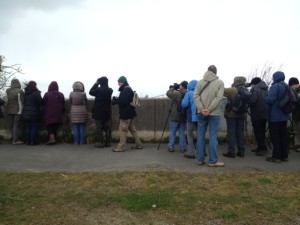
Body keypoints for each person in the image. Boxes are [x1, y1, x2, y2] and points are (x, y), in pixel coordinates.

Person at [194, 65, 225, 167]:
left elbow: (196, 96)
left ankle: (200, 159)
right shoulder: (220, 82)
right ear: (215, 72)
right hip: (214, 113)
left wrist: (202, 108)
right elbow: (219, 97)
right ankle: (213, 161)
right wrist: (209, 109)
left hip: (201, 113)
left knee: (200, 136)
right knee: (213, 137)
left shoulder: (200, 82)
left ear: (207, 71)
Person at [111, 76, 143, 152]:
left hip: (125, 114)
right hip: (131, 113)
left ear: (122, 82)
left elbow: (123, 102)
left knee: (122, 130)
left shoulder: (125, 90)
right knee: (133, 129)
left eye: (119, 82)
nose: (118, 84)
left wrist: (116, 101)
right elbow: (126, 100)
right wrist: (118, 99)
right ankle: (139, 144)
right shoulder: (129, 89)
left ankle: (121, 147)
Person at [265, 71, 289, 163]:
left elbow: (271, 100)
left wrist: (265, 98)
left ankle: (276, 157)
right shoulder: (286, 86)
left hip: (274, 115)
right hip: (284, 115)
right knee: (283, 136)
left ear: (275, 77)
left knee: (275, 137)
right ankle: (284, 156)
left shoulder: (275, 86)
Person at [223, 76, 248, 158]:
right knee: (240, 132)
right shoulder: (246, 90)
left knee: (231, 133)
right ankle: (241, 151)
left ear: (236, 81)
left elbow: (222, 90)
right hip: (242, 114)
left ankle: (231, 151)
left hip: (231, 114)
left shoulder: (233, 90)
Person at [247, 77, 269, 156]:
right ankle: (260, 147)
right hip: (264, 113)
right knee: (262, 132)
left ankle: (262, 148)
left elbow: (253, 101)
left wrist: (248, 98)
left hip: (257, 114)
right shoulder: (266, 88)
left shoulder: (255, 89)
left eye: (252, 84)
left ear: (254, 84)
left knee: (258, 132)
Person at [89, 76, 113, 148]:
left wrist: (96, 83)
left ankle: (100, 143)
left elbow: (90, 92)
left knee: (99, 128)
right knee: (107, 128)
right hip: (106, 111)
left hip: (98, 112)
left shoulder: (98, 90)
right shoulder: (110, 90)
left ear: (100, 82)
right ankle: (108, 142)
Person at [166, 81, 188, 152]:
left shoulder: (177, 94)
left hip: (175, 116)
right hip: (183, 116)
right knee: (182, 132)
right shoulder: (188, 93)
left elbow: (168, 93)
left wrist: (172, 88)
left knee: (173, 132)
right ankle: (182, 148)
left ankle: (171, 147)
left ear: (181, 86)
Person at [21, 81, 43, 145]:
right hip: (34, 112)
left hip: (25, 112)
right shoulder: (36, 93)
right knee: (33, 127)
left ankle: (28, 141)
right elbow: (40, 102)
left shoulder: (25, 93)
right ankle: (33, 142)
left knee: (28, 128)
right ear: (35, 85)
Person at [181, 80, 198, 159]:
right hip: (201, 116)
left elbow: (184, 104)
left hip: (191, 117)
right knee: (200, 135)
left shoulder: (189, 93)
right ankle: (202, 151)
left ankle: (191, 153)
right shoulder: (200, 93)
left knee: (190, 135)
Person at [6, 78, 25, 144]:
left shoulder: (8, 90)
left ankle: (12, 138)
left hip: (9, 109)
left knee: (11, 125)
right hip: (17, 110)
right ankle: (15, 140)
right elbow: (22, 101)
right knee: (16, 125)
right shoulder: (20, 91)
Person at [288, 77, 300, 152]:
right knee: (296, 131)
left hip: (298, 113)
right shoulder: (294, 91)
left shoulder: (296, 92)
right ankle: (297, 144)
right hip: (295, 114)